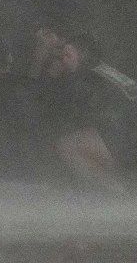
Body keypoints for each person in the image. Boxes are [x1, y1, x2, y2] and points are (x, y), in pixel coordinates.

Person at [25, 27, 128, 195]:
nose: (62, 61)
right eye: (60, 56)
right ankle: (123, 190)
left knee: (65, 145)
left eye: (67, 56)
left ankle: (117, 194)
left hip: (130, 139)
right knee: (78, 140)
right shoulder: (101, 70)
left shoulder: (84, 80)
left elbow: (37, 104)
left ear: (83, 56)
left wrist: (43, 63)